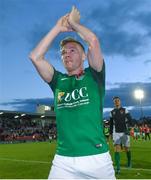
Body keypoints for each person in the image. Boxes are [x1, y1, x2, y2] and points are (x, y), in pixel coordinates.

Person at [29, 6, 115, 179]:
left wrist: (74, 24)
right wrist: (57, 28)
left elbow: (93, 41)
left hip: (97, 158)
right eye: (63, 52)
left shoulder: (94, 75)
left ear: (84, 56)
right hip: (63, 160)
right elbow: (35, 57)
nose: (66, 54)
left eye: (72, 50)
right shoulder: (58, 81)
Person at [110, 96, 132, 174]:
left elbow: (130, 120)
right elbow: (111, 124)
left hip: (124, 132)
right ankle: (118, 169)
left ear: (120, 101)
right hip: (116, 133)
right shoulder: (112, 112)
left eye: (118, 100)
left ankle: (129, 161)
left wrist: (130, 128)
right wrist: (110, 133)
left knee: (127, 149)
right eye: (115, 101)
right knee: (116, 149)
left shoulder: (125, 110)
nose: (116, 102)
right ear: (114, 102)